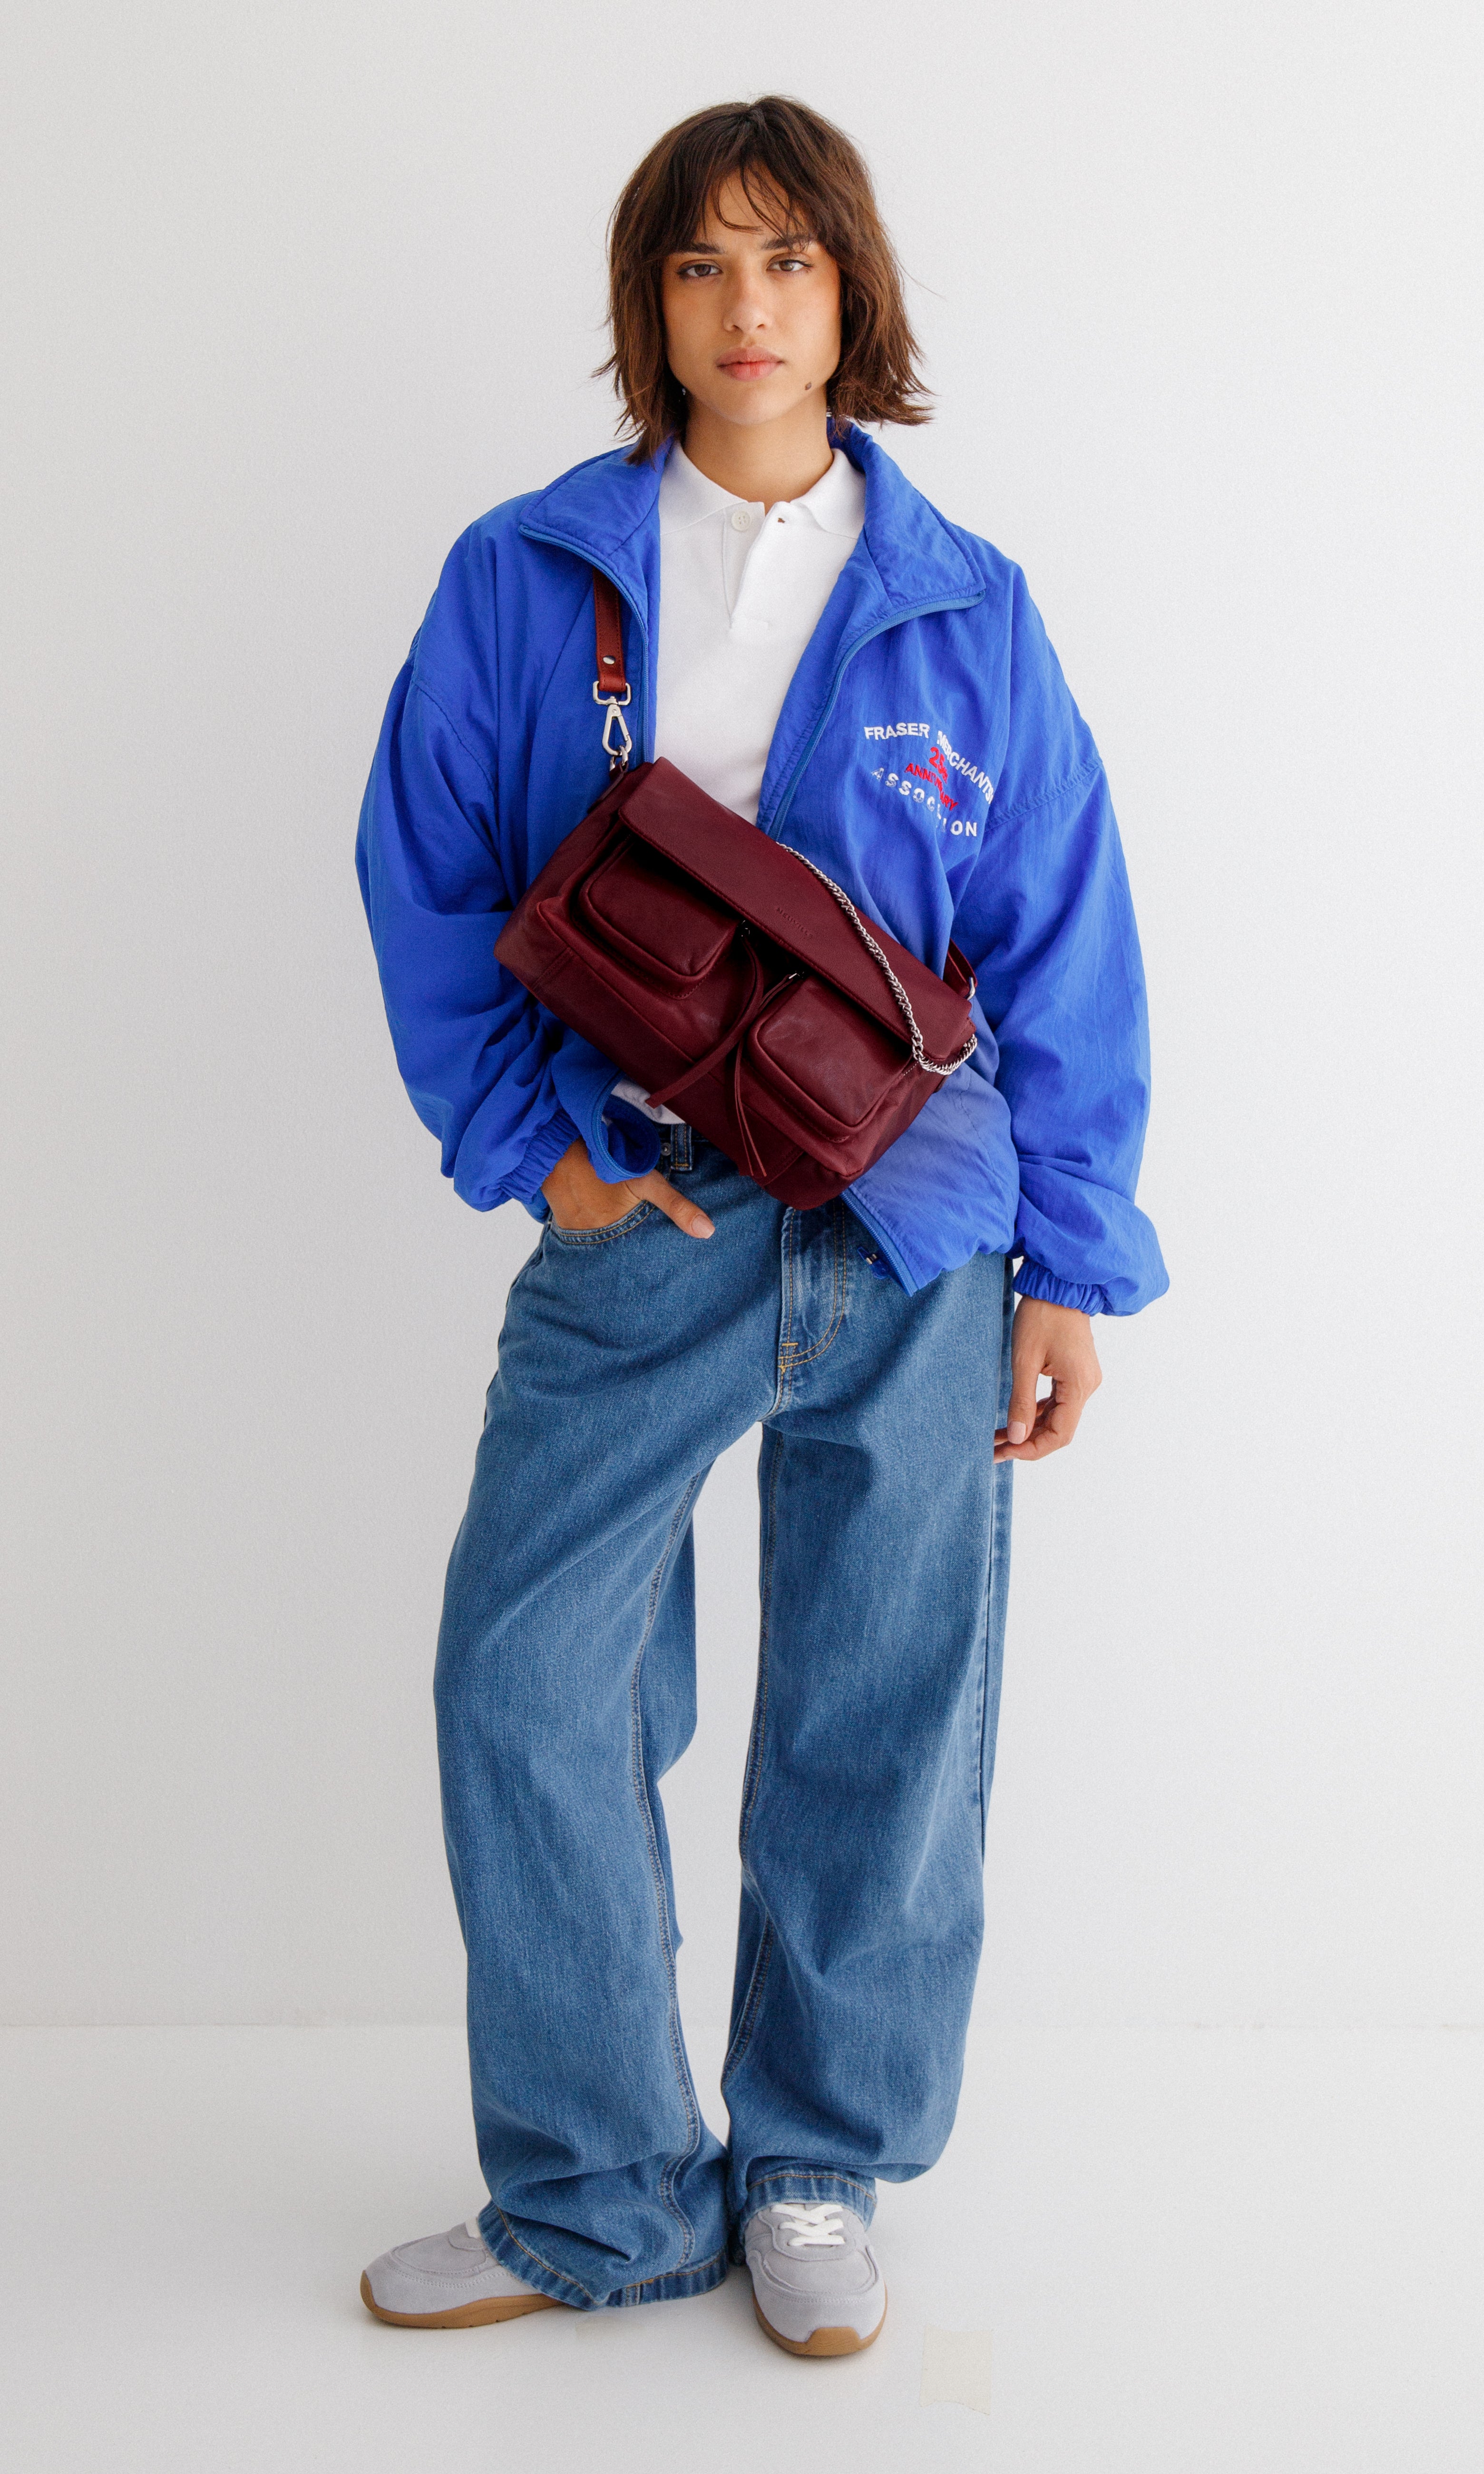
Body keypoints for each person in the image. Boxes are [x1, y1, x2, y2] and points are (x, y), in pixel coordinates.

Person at [354, 95, 1167, 2357]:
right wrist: (532, 1151)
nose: (748, 307)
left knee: (880, 1710)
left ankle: (813, 2165)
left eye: (788, 259)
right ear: (652, 301)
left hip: (918, 1225)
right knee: (530, 1679)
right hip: (648, 1206)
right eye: (700, 263)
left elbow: (1066, 934)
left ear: (850, 292)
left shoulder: (965, 602)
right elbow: (428, 867)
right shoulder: (529, 575)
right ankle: (601, 2192)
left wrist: (1075, 1267)